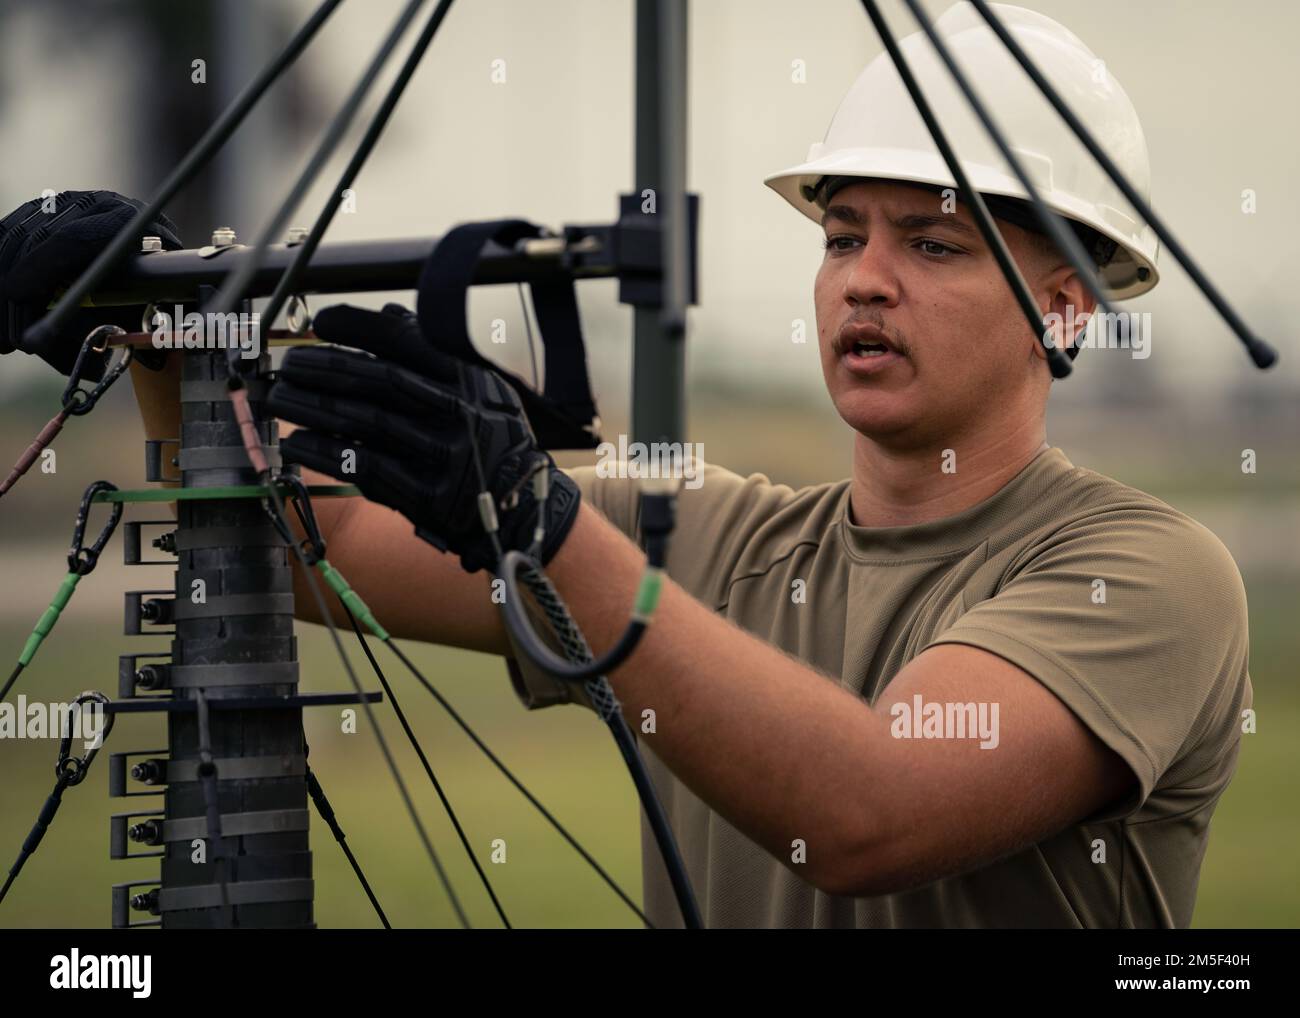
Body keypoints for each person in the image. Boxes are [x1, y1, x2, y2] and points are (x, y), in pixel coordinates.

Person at [0, 4, 1250, 928]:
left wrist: (542, 526)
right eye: (840, 235)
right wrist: (164, 326)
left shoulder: (1144, 572)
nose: (864, 276)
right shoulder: (698, 537)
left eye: (930, 244)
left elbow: (871, 813)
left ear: (1066, 308)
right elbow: (297, 550)